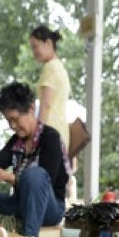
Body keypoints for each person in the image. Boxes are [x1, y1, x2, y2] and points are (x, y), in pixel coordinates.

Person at [0, 82, 68, 237]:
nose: (12, 125)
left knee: (35, 175)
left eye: (15, 119)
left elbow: (42, 182)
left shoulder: (51, 138)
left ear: (31, 109)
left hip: (49, 208)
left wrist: (4, 177)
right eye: (8, 120)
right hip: (19, 204)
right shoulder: (16, 142)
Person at [29, 25, 75, 202]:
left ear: (48, 43)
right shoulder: (60, 68)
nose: (34, 52)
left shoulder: (50, 68)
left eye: (35, 46)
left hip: (50, 129)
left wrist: (36, 135)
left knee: (42, 180)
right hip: (61, 130)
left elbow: (46, 105)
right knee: (57, 182)